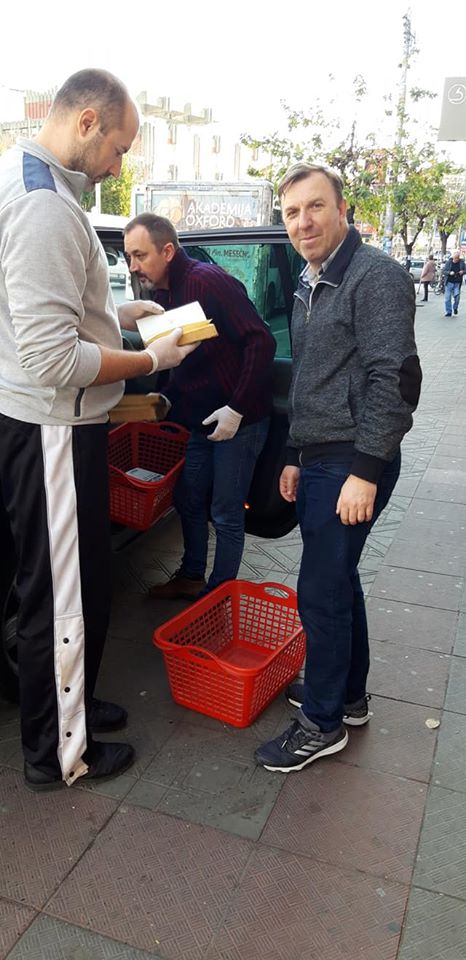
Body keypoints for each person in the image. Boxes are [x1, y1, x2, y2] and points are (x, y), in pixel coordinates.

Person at [0, 69, 197, 791]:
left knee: (66, 588)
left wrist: (119, 317)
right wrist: (149, 359)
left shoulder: (33, 181)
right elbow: (52, 357)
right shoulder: (45, 206)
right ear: (87, 121)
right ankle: (60, 753)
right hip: (51, 427)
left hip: (49, 423)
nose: (119, 166)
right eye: (118, 148)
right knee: (64, 597)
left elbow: (50, 313)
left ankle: (67, 705)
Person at [254, 162, 422, 774]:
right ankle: (347, 696)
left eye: (315, 206)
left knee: (320, 592)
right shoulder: (310, 279)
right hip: (320, 456)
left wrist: (366, 470)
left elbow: (394, 379)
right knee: (338, 581)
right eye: (292, 212)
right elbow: (310, 378)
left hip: (352, 461)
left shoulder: (376, 277)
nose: (303, 222)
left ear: (343, 209)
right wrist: (293, 453)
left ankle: (321, 723)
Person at [123, 213, 276, 599]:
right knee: (188, 499)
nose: (133, 266)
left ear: (167, 251)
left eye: (140, 255)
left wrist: (237, 408)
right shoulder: (161, 296)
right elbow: (180, 358)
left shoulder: (208, 282)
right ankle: (191, 577)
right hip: (200, 420)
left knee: (225, 513)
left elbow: (262, 341)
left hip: (240, 421)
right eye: (128, 257)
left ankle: (218, 598)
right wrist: (166, 396)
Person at [443, 250, 465, 316]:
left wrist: (462, 272)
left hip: (457, 283)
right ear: (453, 258)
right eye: (455, 258)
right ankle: (449, 312)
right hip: (449, 282)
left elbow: (465, 270)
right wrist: (449, 273)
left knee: (457, 297)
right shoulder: (448, 263)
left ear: (459, 258)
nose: (456, 260)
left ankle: (455, 307)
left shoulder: (462, 263)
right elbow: (444, 271)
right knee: (447, 298)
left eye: (457, 258)